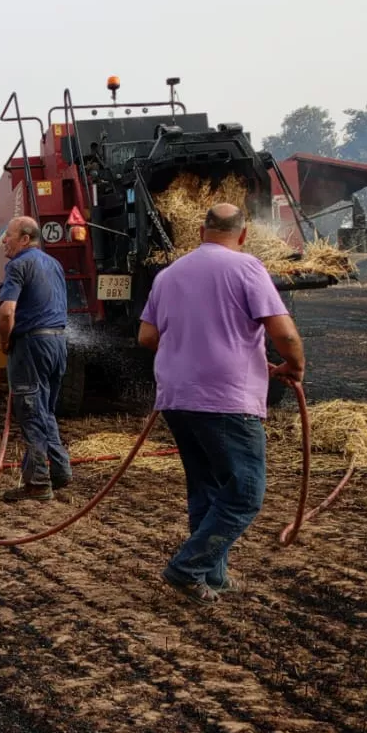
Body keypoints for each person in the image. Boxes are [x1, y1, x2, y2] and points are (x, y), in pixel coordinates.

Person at [136, 203, 305, 602]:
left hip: (177, 398)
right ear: (243, 235)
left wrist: (187, 353)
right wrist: (294, 366)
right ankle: (187, 568)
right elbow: (284, 333)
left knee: (207, 488)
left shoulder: (167, 275)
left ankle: (211, 575)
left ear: (200, 232)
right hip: (226, 398)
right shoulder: (247, 268)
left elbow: (146, 337)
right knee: (245, 493)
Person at [0, 214, 72, 501]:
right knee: (45, 410)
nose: (4, 241)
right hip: (58, 343)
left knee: (30, 412)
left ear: (25, 239)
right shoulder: (54, 264)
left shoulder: (18, 265)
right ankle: (60, 471)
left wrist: (5, 341)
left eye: (9, 236)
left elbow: (6, 312)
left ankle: (38, 483)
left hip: (31, 345)